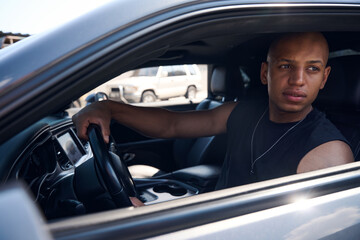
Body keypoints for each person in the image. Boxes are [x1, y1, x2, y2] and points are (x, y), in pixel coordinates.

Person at [72, 32, 354, 205]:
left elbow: (298, 230)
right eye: (285, 66)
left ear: (324, 78)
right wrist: (110, 109)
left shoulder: (327, 153)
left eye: (312, 69)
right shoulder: (244, 112)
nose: (298, 80)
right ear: (265, 73)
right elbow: (172, 124)